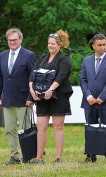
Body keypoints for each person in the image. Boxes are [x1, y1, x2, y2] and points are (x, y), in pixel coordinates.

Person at [29, 30, 73, 164]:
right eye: (49, 43)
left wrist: (51, 89)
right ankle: (39, 157)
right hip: (42, 98)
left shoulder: (64, 59)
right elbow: (33, 74)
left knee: (58, 126)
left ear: (60, 45)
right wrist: (31, 90)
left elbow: (61, 76)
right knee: (40, 126)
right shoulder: (42, 58)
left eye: (53, 43)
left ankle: (59, 157)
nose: (50, 46)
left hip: (58, 97)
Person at [0, 28, 37, 165]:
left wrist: (31, 98)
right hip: (7, 98)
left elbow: (34, 77)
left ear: (20, 40)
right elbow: (0, 77)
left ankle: (29, 156)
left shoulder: (28, 55)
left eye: (15, 40)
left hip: (24, 99)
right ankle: (14, 156)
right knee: (9, 129)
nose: (12, 42)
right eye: (10, 40)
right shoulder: (3, 55)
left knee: (26, 129)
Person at [80, 34, 106, 163]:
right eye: (100, 45)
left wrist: (101, 97)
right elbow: (83, 80)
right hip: (89, 102)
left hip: (105, 102)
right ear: (93, 46)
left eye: (104, 44)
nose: (103, 47)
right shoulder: (86, 60)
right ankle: (91, 155)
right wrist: (89, 96)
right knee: (91, 127)